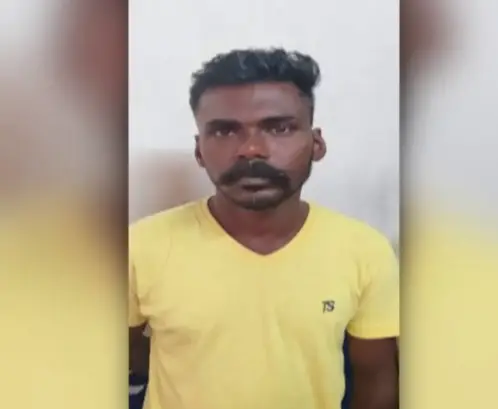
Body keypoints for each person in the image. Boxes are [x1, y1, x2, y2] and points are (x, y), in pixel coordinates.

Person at [129, 48, 399, 409]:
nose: (252, 149)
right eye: (225, 131)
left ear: (316, 144)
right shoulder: (140, 246)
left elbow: (376, 380)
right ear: (199, 151)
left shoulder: (365, 250)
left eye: (280, 128)